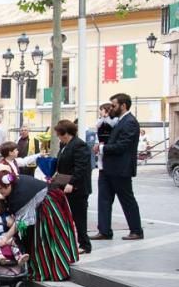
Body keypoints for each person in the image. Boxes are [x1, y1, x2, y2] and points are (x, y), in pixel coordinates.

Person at [0, 167, 78, 281]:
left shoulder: (22, 194)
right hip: (43, 202)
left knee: (46, 238)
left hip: (47, 206)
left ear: (9, 185)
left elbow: (21, 221)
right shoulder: (16, 184)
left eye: (1, 189)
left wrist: (6, 237)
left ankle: (54, 269)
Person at [94, 92, 144, 241]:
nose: (111, 108)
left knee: (127, 200)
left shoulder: (130, 122)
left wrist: (102, 148)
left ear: (123, 105)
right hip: (107, 168)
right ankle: (104, 231)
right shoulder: (118, 121)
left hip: (121, 169)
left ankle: (136, 230)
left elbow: (122, 146)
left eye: (114, 105)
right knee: (103, 200)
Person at [54, 119, 93, 254]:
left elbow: (81, 167)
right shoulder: (64, 145)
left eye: (59, 134)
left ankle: (85, 244)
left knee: (79, 216)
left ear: (65, 133)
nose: (58, 137)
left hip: (77, 188)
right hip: (64, 184)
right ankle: (71, 241)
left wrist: (72, 183)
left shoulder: (79, 145)